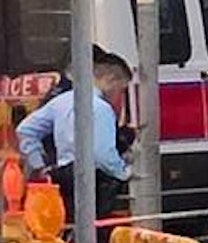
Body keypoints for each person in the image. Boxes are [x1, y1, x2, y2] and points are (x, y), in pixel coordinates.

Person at [17, 51, 132, 228]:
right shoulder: (101, 109)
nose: (119, 95)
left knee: (67, 227)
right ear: (111, 79)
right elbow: (102, 155)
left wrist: (39, 165)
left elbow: (26, 130)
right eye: (121, 88)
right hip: (93, 181)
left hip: (62, 175)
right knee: (93, 232)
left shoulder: (62, 100)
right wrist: (123, 172)